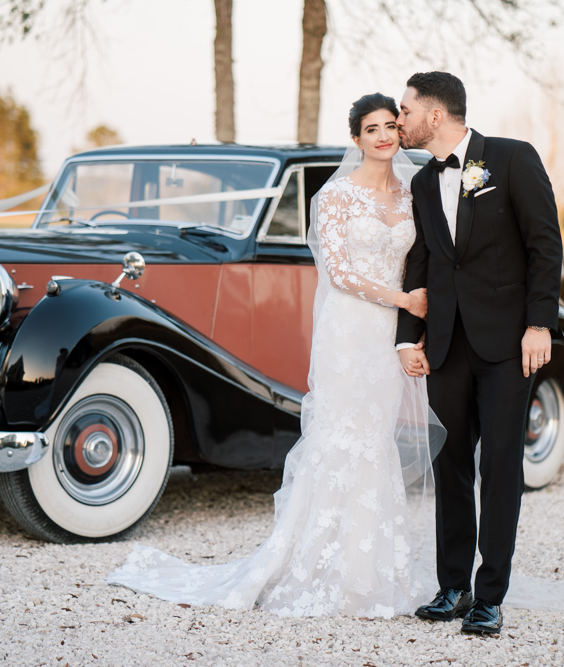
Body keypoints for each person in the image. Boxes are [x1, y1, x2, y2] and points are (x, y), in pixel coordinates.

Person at [107, 93, 444, 618]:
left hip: (386, 336)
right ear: (355, 139)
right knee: (338, 436)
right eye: (370, 128)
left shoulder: (411, 198)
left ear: (400, 134)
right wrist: (403, 299)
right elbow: (337, 273)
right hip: (348, 330)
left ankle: (372, 569)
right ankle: (312, 563)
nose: (382, 135)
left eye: (389, 127)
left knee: (375, 438)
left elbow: (419, 264)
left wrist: (410, 329)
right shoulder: (334, 198)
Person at [395, 71, 564, 635]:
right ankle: (453, 587)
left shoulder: (513, 159)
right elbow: (419, 263)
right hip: (445, 344)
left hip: (507, 346)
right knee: (450, 467)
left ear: (435, 115)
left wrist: (540, 322)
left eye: (405, 110)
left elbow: (546, 246)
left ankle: (491, 596)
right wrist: (406, 335)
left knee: (498, 466)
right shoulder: (422, 185)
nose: (399, 121)